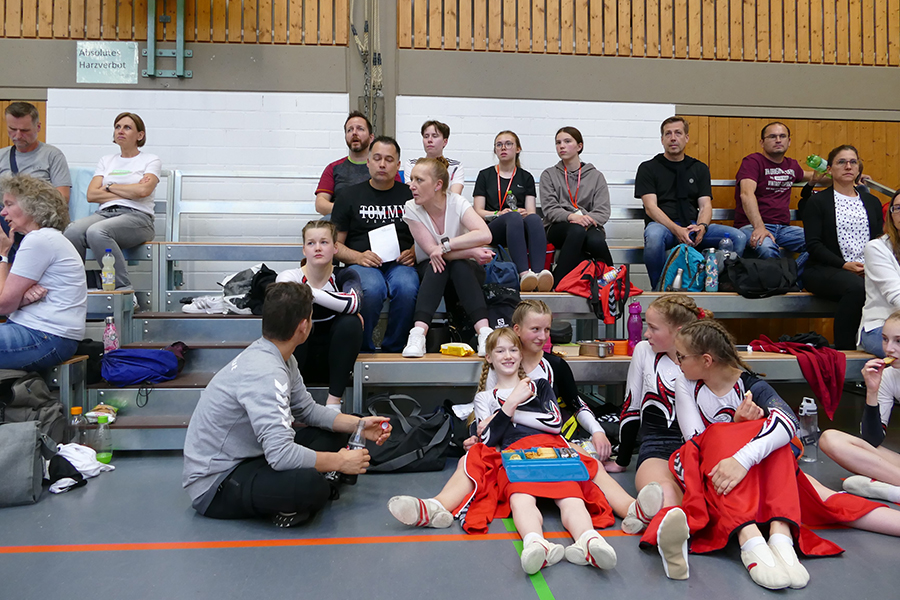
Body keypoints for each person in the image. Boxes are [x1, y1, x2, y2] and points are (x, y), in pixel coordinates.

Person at [640, 319, 899, 589]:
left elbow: (789, 421)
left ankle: (780, 536)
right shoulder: (685, 382)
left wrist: (742, 458)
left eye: (681, 357)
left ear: (706, 360)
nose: (677, 362)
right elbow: (697, 440)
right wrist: (737, 427)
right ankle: (750, 539)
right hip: (716, 475)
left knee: (824, 498)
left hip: (755, 471)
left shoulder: (750, 386)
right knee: (722, 435)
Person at [387, 300, 663, 535]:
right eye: (535, 329)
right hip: (508, 441)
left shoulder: (553, 366)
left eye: (546, 329)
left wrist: (598, 431)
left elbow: (574, 404)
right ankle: (436, 506)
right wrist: (475, 433)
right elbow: (485, 411)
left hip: (550, 438)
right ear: (517, 331)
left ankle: (631, 508)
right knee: (470, 459)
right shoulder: (501, 366)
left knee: (586, 459)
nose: (542, 336)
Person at [182, 282, 392, 527]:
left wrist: (359, 425)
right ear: (304, 326)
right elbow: (281, 455)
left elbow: (308, 411)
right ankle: (303, 494)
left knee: (337, 431)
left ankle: (312, 484)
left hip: (255, 456)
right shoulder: (265, 372)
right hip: (217, 483)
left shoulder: (281, 356)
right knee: (310, 487)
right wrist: (340, 462)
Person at [610, 295, 711, 519]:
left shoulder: (706, 357)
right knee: (662, 493)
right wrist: (622, 460)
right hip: (657, 447)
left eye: (653, 328)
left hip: (701, 448)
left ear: (679, 331)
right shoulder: (644, 351)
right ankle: (672, 528)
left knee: (703, 494)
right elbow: (632, 407)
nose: (646, 334)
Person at [636, 117, 747, 290]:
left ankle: (717, 285)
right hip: (664, 227)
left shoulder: (699, 168)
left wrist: (702, 226)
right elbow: (650, 208)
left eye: (678, 133)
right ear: (662, 139)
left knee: (738, 237)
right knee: (654, 237)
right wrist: (676, 229)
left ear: (686, 138)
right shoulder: (648, 168)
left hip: (693, 227)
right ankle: (659, 289)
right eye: (668, 134)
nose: (673, 138)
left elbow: (705, 205)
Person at [332, 136, 418, 353]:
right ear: (368, 162)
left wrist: (416, 251)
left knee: (407, 287)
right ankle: (362, 350)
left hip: (400, 263)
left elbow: (431, 233)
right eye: (377, 158)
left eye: (389, 159)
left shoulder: (412, 196)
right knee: (371, 289)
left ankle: (395, 349)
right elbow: (335, 245)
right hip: (363, 264)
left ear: (398, 165)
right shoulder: (348, 196)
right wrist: (358, 257)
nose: (382, 164)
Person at [401, 157, 493, 358]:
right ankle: (417, 335)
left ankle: (485, 334)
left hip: (464, 271)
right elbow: (431, 251)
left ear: (438, 185)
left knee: (458, 265)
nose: (411, 185)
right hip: (431, 270)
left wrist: (447, 246)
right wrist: (470, 251)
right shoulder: (411, 207)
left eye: (419, 180)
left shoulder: (457, 202)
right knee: (438, 265)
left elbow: (485, 234)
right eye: (412, 179)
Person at [64, 112, 161, 290]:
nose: (120, 131)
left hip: (138, 217)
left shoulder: (150, 160)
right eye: (117, 127)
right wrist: (130, 190)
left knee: (96, 232)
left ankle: (123, 290)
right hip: (105, 213)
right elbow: (92, 195)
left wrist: (108, 186)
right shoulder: (106, 160)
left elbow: (143, 191)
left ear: (140, 135)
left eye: (127, 127)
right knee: (72, 230)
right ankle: (74, 288)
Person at [801, 145, 883, 350]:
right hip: (825, 268)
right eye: (841, 162)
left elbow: (879, 240)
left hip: (866, 269)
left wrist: (870, 267)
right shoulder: (817, 202)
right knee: (857, 288)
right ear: (829, 169)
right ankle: (845, 351)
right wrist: (844, 265)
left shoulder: (872, 202)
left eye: (853, 162)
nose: (848, 166)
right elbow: (814, 245)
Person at [275, 220, 363, 411]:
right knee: (294, 321)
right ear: (304, 250)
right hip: (299, 361)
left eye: (324, 242)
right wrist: (339, 303)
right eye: (311, 243)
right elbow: (284, 295)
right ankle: (288, 401)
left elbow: (354, 303)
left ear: (335, 247)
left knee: (351, 322)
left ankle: (333, 403)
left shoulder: (346, 275)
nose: (317, 248)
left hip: (335, 363)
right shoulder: (289, 276)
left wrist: (305, 292)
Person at [0, 175, 86, 369]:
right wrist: (21, 299)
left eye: (9, 204)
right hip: (43, 332)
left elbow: (3, 304)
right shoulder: (47, 239)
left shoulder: (38, 240)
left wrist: (3, 254)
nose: (3, 212)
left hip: (45, 336)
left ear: (32, 207)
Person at [820, 309, 900, 502]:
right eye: (885, 339)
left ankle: (888, 488)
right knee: (830, 439)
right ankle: (893, 489)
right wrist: (872, 391)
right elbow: (872, 441)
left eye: (899, 341)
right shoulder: (889, 376)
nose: (889, 349)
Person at [473, 131, 552, 292]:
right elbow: (478, 211)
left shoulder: (526, 177)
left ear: (517, 149)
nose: (503, 148)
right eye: (499, 144)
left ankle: (538, 275)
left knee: (534, 219)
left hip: (517, 228)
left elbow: (531, 212)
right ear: (495, 150)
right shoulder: (485, 175)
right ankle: (524, 274)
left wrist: (524, 213)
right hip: (494, 228)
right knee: (513, 217)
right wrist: (499, 214)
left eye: (508, 144)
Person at [540, 127, 613, 287]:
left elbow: (603, 211)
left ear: (579, 146)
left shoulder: (596, 176)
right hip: (558, 226)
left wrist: (585, 220)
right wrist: (573, 217)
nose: (561, 146)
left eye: (567, 141)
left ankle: (610, 282)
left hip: (589, 225)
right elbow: (550, 209)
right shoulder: (549, 175)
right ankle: (557, 284)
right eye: (558, 142)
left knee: (596, 241)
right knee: (576, 231)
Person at [1, 102, 71, 265]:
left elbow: (62, 198)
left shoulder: (52, 155)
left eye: (24, 130)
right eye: (12, 129)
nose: (18, 135)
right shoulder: (2, 156)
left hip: (36, 220)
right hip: (6, 218)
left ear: (38, 127)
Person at [734, 122, 812, 269]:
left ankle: (791, 276)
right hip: (751, 226)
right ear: (762, 143)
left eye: (782, 136)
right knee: (767, 249)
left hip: (784, 229)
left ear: (789, 141)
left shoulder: (792, 165)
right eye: (772, 136)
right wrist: (759, 227)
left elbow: (812, 176)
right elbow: (746, 194)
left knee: (819, 243)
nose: (778, 140)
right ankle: (783, 278)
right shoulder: (753, 162)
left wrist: (849, 176)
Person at [316, 111, 398, 216]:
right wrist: (351, 210)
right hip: (342, 219)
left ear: (371, 137)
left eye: (360, 129)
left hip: (377, 218)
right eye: (349, 130)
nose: (354, 133)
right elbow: (320, 204)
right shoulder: (333, 168)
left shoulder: (384, 167)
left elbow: (397, 198)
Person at [859, 190, 900, 356]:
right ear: (891, 215)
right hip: (881, 327)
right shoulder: (876, 248)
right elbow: (896, 296)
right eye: (897, 208)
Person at [404, 120, 464, 195]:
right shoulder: (412, 164)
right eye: (426, 136)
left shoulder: (456, 166)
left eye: (435, 136)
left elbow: (454, 196)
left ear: (445, 142)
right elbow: (413, 193)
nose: (429, 140)